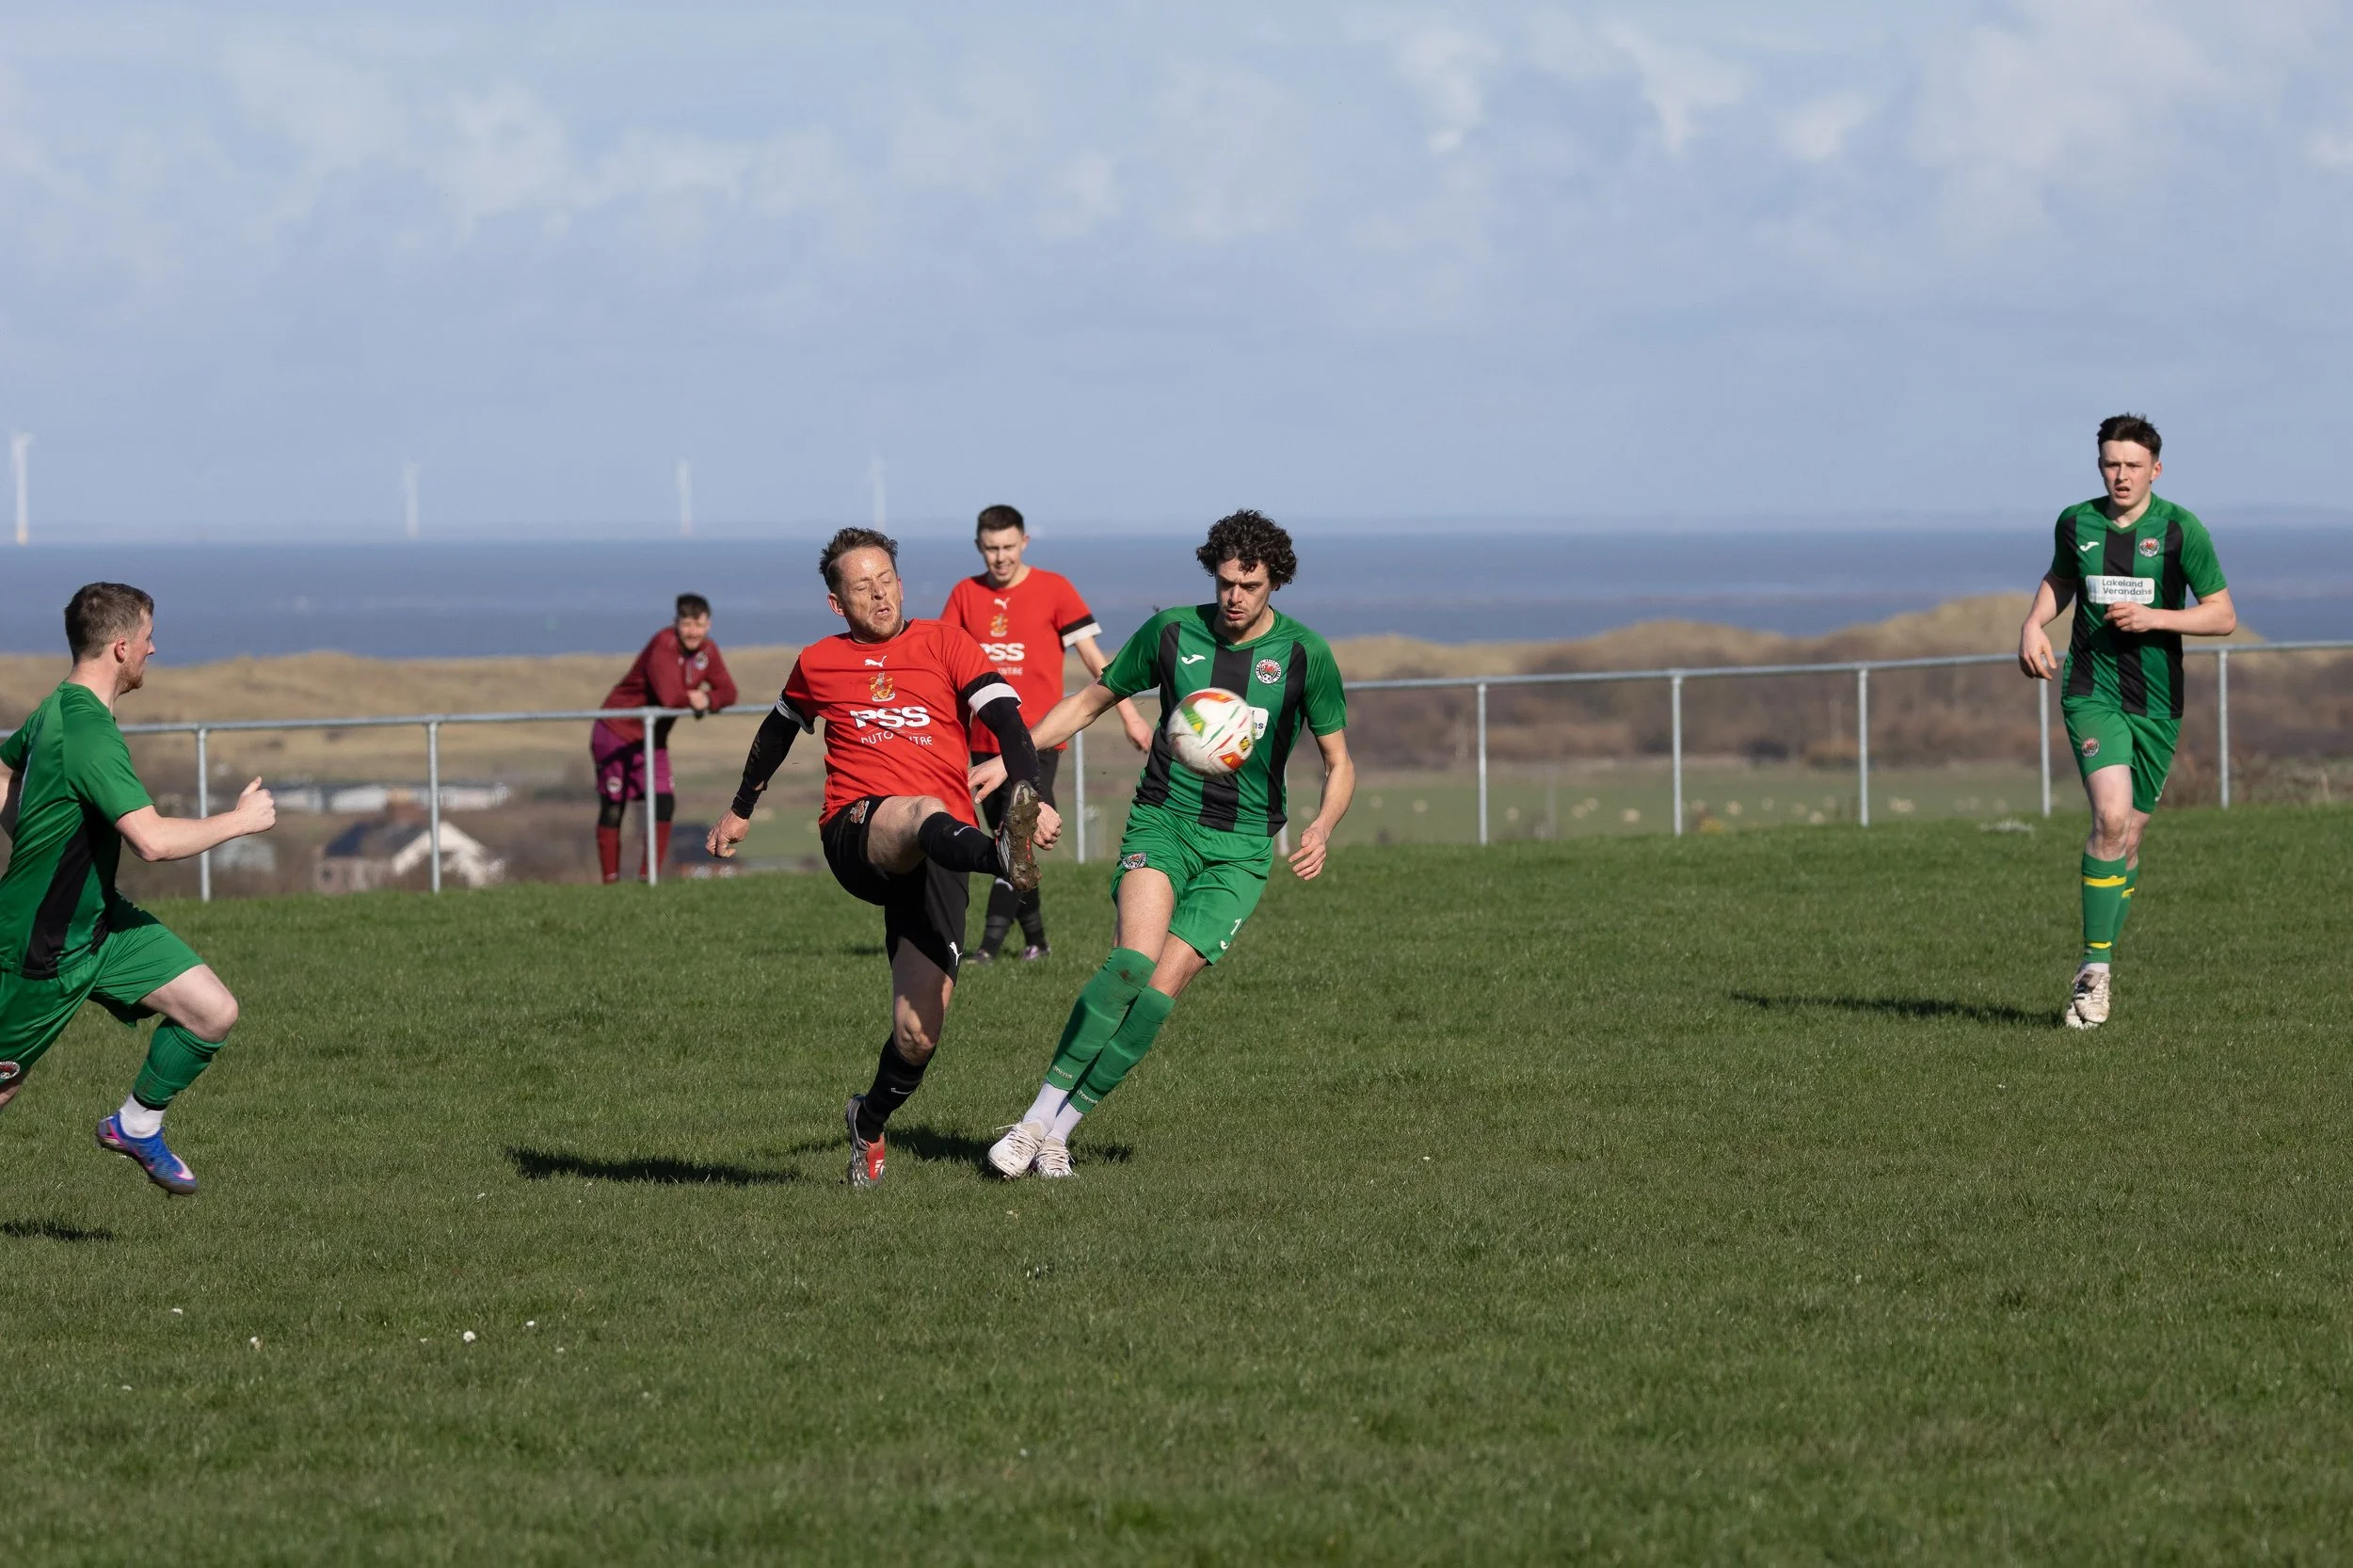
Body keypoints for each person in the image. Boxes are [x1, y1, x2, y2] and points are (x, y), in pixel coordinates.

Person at [980, 510, 1353, 1178]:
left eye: (1251, 584)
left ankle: (1062, 1133)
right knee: (1129, 964)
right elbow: (1092, 699)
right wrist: (1016, 752)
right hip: (1163, 821)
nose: (1235, 597)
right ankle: (1033, 1120)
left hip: (1241, 850)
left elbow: (1339, 761)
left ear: (1276, 583)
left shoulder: (1304, 655)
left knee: (1157, 994)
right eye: (1225, 581)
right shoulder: (1173, 630)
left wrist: (1322, 827)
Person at [706, 528, 1061, 1187]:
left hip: (942, 856)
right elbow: (778, 730)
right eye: (862, 585)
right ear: (837, 602)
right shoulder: (818, 662)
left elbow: (1009, 720)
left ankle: (867, 1122)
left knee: (918, 1034)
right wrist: (741, 807)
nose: (880, 593)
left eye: (887, 579)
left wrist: (1026, 794)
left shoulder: (947, 643)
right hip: (858, 829)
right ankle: (1001, 857)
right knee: (921, 810)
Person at [0, 583, 278, 1194]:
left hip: (99, 922)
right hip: (40, 947)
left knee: (212, 1012)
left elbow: (4, 770)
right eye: (149, 638)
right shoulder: (87, 733)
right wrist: (243, 821)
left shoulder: (58, 709)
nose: (155, 649)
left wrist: (28, 829)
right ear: (122, 648)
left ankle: (135, 1125)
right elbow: (150, 840)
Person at [2018, 414, 2235, 1029]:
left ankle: (2102, 967)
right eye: (2111, 464)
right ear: (2100, 466)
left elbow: (2221, 615)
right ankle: (2094, 974)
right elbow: (2061, 579)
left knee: (2130, 839)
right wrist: (2034, 623)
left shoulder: (2180, 530)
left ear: (2155, 470)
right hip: (2092, 691)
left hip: (2159, 703)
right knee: (2109, 820)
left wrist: (2156, 619)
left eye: (2132, 466)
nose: (2120, 475)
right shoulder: (2076, 522)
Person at [939, 504, 1151, 963]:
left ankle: (988, 949)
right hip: (979, 746)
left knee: (1013, 835)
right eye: (991, 548)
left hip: (1036, 742)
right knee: (1007, 846)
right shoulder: (963, 595)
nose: (1000, 557)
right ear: (979, 547)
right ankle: (1037, 941)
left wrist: (1130, 716)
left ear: (1025, 543)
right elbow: (946, 669)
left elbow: (1098, 662)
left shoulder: (1054, 589)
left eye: (1009, 547)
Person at [591, 593, 737, 883]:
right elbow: (668, 697)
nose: (693, 631)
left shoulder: (708, 651)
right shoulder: (662, 645)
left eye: (699, 624)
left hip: (652, 739)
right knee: (613, 805)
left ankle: (649, 878)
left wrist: (707, 698)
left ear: (708, 624)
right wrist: (694, 699)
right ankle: (610, 881)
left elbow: (729, 692)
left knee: (664, 803)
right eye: (687, 624)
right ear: (676, 624)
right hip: (616, 732)